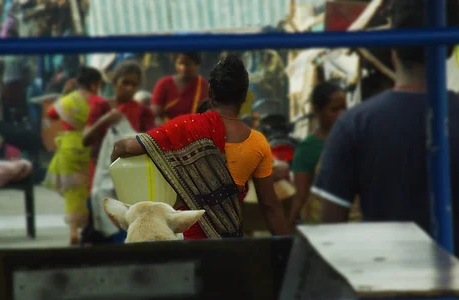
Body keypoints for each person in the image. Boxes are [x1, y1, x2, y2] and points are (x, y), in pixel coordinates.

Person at [313, 0, 459, 293]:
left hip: (386, 291)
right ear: (451, 46)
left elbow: (329, 234)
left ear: (393, 41)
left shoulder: (354, 125)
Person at [111, 54, 290, 239]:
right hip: (229, 244)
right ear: (244, 97)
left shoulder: (184, 127)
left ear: (210, 93)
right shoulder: (257, 142)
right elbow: (271, 208)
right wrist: (286, 252)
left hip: (186, 245)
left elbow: (125, 148)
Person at [80, 60, 154, 245]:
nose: (129, 88)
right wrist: (105, 120)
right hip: (100, 175)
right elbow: (85, 139)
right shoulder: (102, 108)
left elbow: (151, 143)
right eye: (125, 83)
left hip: (131, 180)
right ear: (114, 83)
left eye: (134, 84)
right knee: (100, 224)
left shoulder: (143, 112)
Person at [43, 66, 103, 245]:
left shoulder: (67, 101)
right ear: (94, 84)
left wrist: (64, 94)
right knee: (89, 191)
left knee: (72, 192)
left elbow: (51, 114)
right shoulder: (98, 101)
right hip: (91, 149)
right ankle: (89, 229)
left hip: (69, 149)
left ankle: (73, 231)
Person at [288, 82, 346, 224]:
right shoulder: (308, 148)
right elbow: (301, 197)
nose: (341, 114)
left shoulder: (353, 141)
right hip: (321, 225)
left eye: (344, 108)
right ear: (317, 111)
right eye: (334, 110)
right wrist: (287, 230)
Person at [150, 52, 208, 125]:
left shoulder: (202, 84)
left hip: (193, 130)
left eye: (188, 64)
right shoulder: (164, 83)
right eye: (180, 63)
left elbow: (206, 113)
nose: (183, 68)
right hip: (167, 129)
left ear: (196, 65)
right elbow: (154, 114)